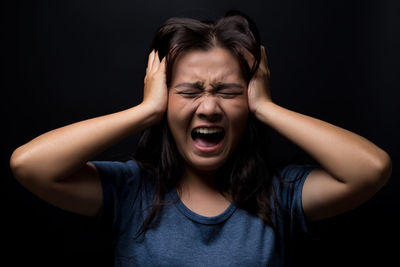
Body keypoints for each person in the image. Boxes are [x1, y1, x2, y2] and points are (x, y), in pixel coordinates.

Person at [10, 10, 391, 266]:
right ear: (163, 99)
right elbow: (29, 165)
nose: (209, 108)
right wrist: (146, 111)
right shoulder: (130, 190)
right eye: (190, 92)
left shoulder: (281, 194)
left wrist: (266, 106)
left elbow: (371, 169)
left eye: (227, 92)